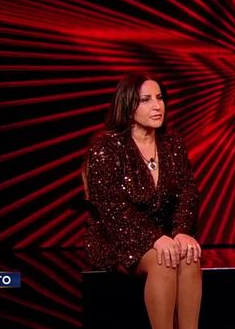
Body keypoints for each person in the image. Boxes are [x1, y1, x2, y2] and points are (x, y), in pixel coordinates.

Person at [83, 72, 201, 329]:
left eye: (159, 98)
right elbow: (113, 207)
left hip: (164, 236)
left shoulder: (173, 144)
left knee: (189, 257)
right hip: (118, 238)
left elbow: (188, 193)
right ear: (127, 105)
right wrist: (154, 238)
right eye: (146, 100)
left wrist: (182, 232)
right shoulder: (106, 146)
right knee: (163, 261)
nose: (157, 106)